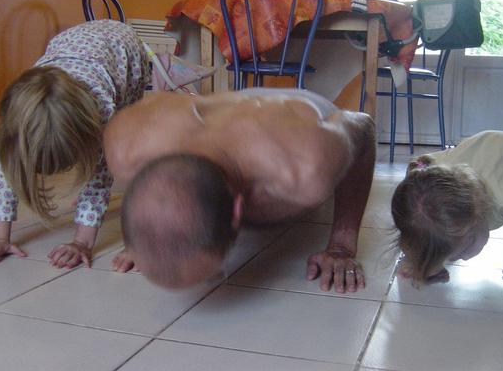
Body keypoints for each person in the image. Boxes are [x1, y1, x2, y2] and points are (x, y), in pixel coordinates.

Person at [103, 88, 376, 293]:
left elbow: (364, 127)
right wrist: (150, 236)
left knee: (313, 180)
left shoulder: (305, 168)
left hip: (300, 109)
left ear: (237, 212)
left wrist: (341, 246)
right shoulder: (124, 145)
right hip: (229, 103)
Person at [0, 19, 150, 269]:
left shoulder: (103, 113)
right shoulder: (16, 122)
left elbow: (100, 177)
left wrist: (82, 242)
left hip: (125, 48)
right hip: (73, 43)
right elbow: (5, 175)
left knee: (121, 139)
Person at [391, 130, 503, 287]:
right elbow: (413, 225)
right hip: (481, 152)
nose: (465, 258)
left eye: (463, 251)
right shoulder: (423, 178)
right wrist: (418, 262)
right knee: (420, 216)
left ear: (480, 214)